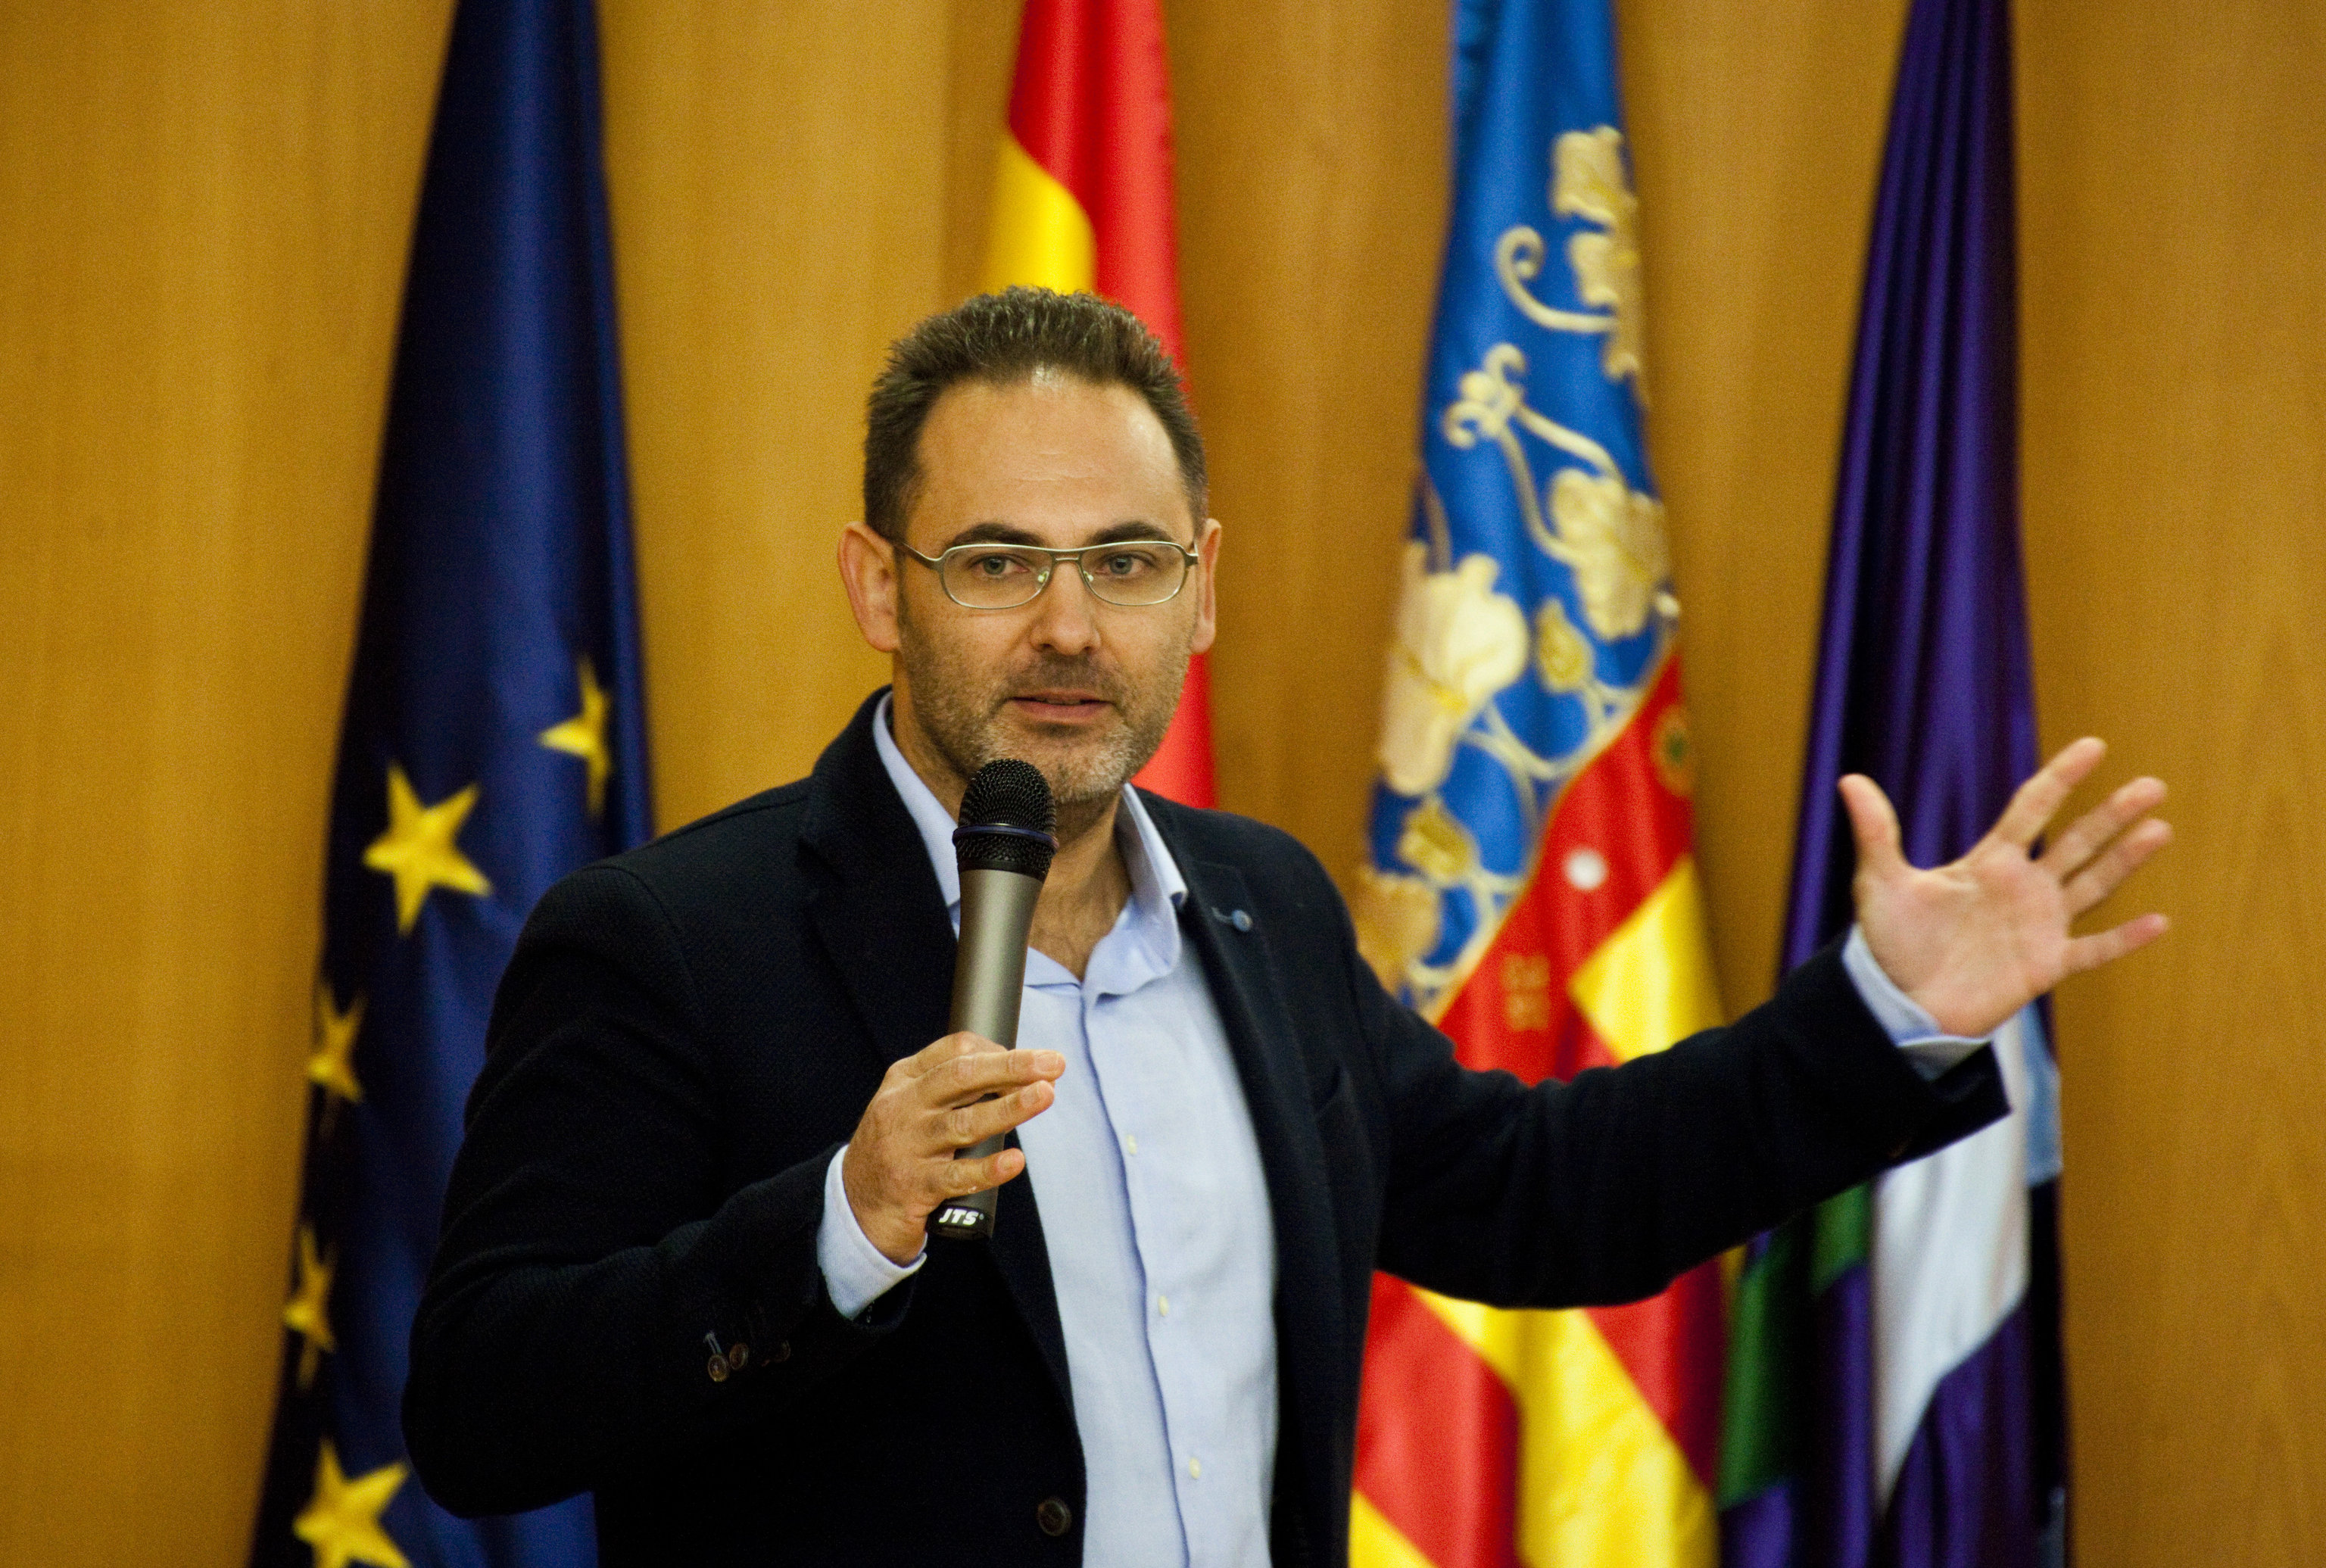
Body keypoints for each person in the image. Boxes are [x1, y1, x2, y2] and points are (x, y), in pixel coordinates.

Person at [403, 288, 2169, 1566]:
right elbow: (481, 1407)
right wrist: (840, 1225)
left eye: (1128, 560)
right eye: (1000, 562)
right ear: (881, 584)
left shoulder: (1264, 908)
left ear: (1202, 586)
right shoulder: (667, 941)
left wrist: (1881, 1014)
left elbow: (1543, 1193)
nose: (1070, 627)